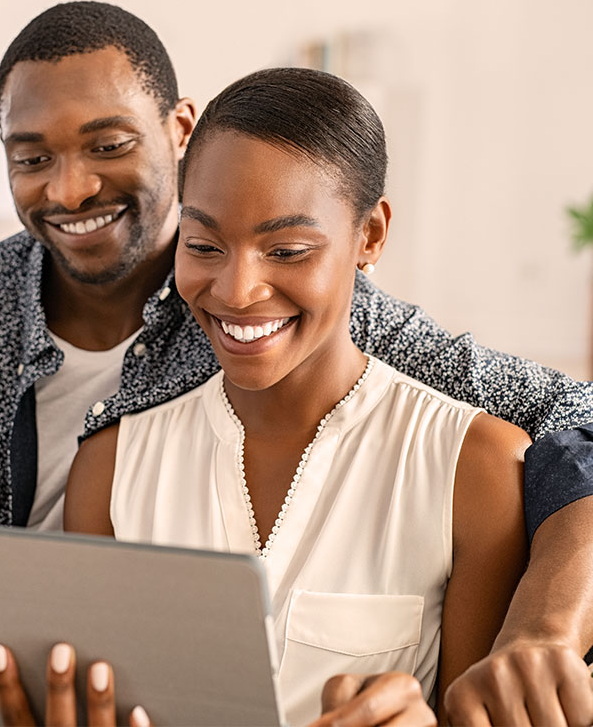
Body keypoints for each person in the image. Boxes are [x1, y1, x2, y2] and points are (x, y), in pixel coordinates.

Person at [0, 1, 591, 726]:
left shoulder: (294, 311)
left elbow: (576, 419)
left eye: (108, 145)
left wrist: (542, 627)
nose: (70, 190)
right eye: (31, 158)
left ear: (179, 131)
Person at [53, 66, 551, 725]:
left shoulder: (475, 470)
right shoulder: (110, 471)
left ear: (369, 237)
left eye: (286, 250)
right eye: (203, 245)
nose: (236, 290)